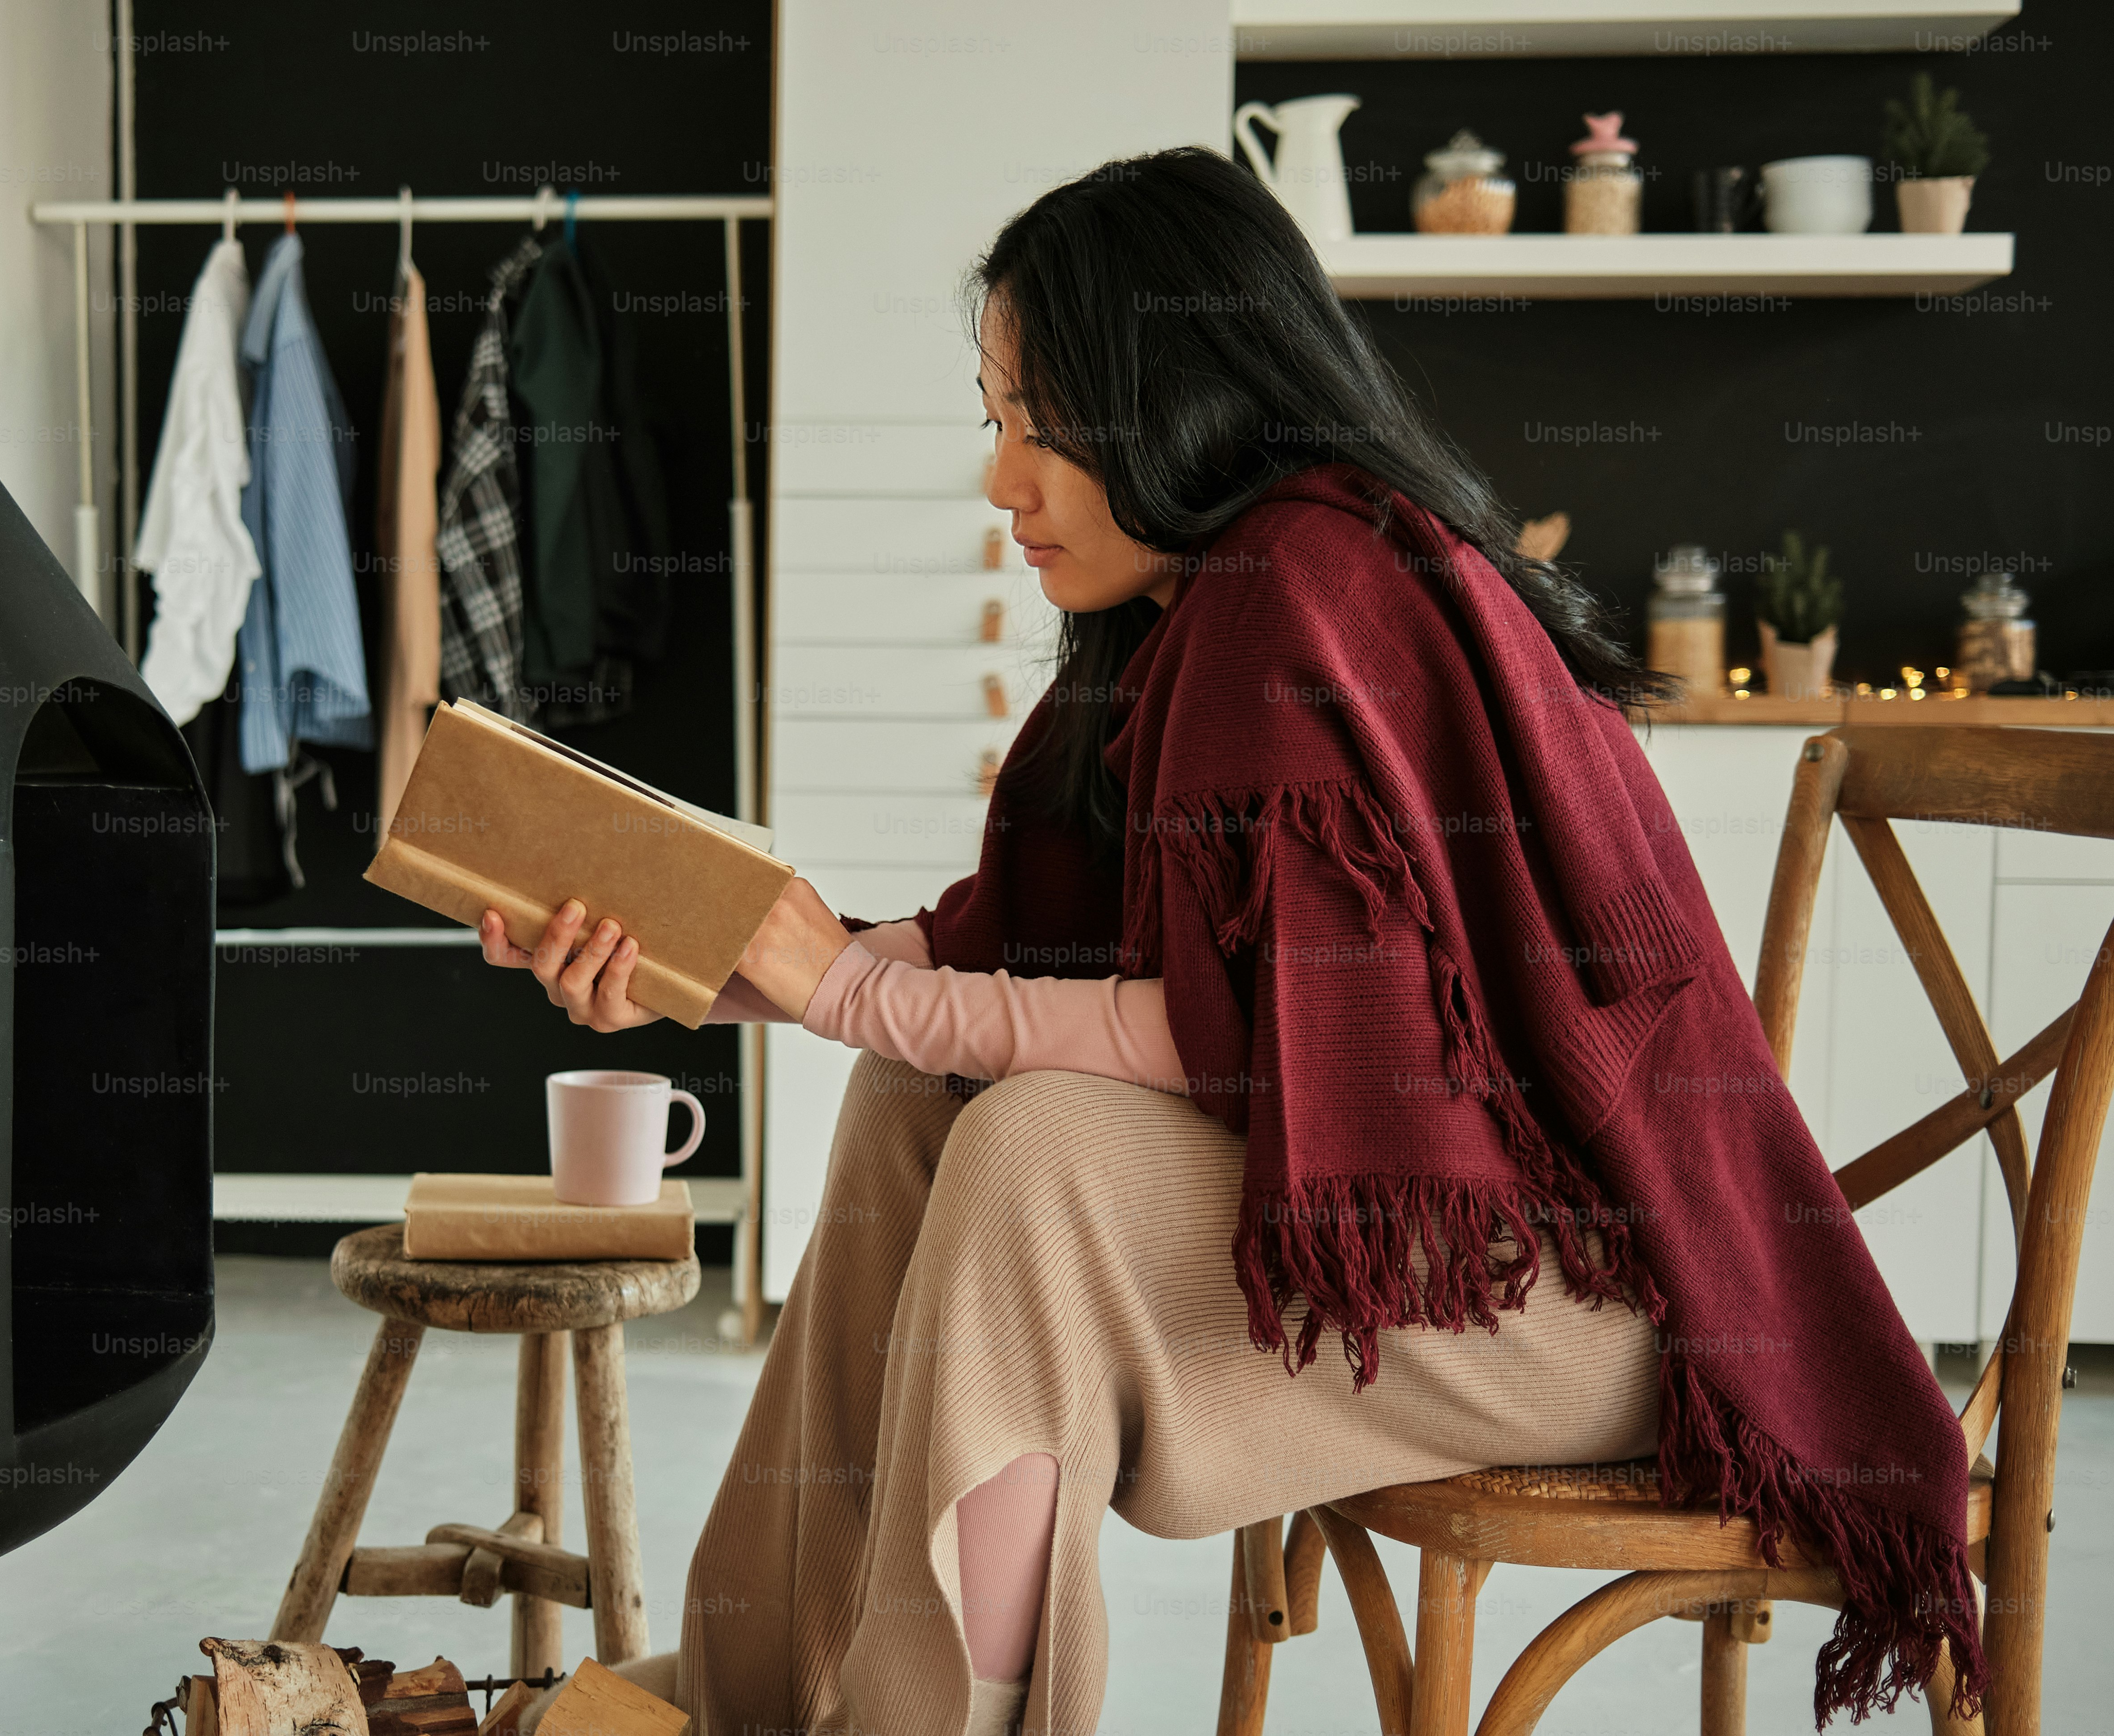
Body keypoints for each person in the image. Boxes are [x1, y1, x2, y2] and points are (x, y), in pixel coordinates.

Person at [476, 147, 1981, 1736]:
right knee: (916, 1100)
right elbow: (1039, 950)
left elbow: (1235, 1035)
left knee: (1037, 1160)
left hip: (1594, 1298)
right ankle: (755, 1701)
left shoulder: (1302, 581)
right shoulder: (1187, 602)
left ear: (1181, 396)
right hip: (1438, 1241)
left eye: (1045, 427)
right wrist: (725, 974)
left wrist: (848, 988)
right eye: (999, 423)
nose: (1006, 482)